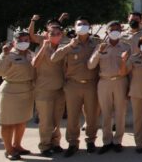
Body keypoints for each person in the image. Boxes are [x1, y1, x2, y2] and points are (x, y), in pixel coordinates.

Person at [51, 19, 101, 157]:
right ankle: (73, 143)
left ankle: (91, 141)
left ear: (90, 27)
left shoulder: (96, 43)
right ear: (74, 27)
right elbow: (54, 58)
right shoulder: (68, 43)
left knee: (92, 115)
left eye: (85, 24)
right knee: (73, 116)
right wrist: (69, 47)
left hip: (91, 84)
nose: (82, 26)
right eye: (79, 24)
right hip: (73, 84)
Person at [88, 21, 131, 154]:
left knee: (120, 113)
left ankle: (118, 141)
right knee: (106, 113)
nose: (115, 31)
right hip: (104, 82)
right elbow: (90, 65)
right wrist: (99, 53)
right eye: (112, 29)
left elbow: (129, 68)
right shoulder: (100, 46)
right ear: (107, 32)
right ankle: (107, 141)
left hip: (120, 81)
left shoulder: (126, 47)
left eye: (118, 29)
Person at [0, 31, 35, 161]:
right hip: (10, 90)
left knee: (21, 121)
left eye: (26, 39)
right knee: (8, 122)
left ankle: (17, 145)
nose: (24, 42)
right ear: (14, 42)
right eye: (21, 40)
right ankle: (8, 149)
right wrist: (4, 55)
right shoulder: (8, 54)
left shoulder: (31, 55)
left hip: (27, 90)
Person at [29, 16, 66, 157]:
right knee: (45, 121)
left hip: (59, 89)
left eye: (57, 34)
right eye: (52, 34)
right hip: (44, 90)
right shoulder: (42, 47)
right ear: (46, 35)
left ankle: (55, 143)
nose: (55, 36)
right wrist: (44, 47)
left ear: (61, 35)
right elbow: (35, 64)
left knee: (57, 119)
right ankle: (44, 145)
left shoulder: (63, 48)